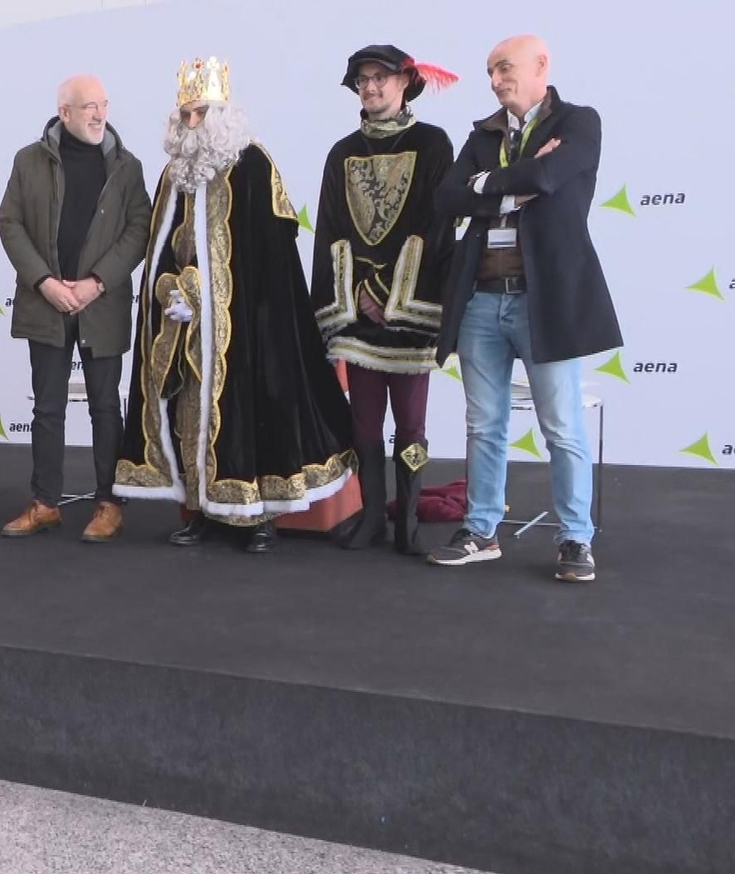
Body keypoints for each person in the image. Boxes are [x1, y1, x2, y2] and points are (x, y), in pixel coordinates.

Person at [112, 57, 355, 553]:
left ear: (223, 113)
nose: (192, 122)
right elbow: (162, 247)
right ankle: (201, 508)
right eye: (185, 113)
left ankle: (255, 514)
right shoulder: (173, 174)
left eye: (200, 112)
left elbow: (271, 255)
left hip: (246, 321)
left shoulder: (253, 164)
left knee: (250, 413)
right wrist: (172, 291)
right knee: (190, 418)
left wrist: (210, 294)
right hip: (186, 327)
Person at [427, 35, 621, 582]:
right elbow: (447, 198)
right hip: (480, 299)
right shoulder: (483, 134)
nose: (495, 81)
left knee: (561, 426)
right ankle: (480, 530)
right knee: (483, 425)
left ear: (541, 65)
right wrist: (513, 186)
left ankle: (575, 538)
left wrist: (486, 184)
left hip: (545, 300)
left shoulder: (578, 122)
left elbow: (548, 176)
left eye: (504, 68)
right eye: (490, 72)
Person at [311, 45, 457, 553]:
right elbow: (331, 229)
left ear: (405, 82)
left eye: (380, 77)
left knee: (411, 425)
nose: (370, 87)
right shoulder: (342, 152)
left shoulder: (434, 145)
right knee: (364, 423)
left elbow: (435, 227)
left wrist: (385, 293)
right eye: (363, 79)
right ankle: (373, 515)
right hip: (359, 315)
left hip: (409, 313)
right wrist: (357, 294)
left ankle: (407, 521)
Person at [0, 74, 151, 542]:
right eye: (89, 107)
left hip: (101, 306)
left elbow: (139, 229)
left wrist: (96, 283)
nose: (100, 114)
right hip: (45, 306)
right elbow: (9, 222)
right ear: (64, 113)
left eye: (104, 104)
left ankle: (109, 503)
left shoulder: (127, 167)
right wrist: (44, 282)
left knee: (106, 407)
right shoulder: (28, 160)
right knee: (47, 408)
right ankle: (45, 503)